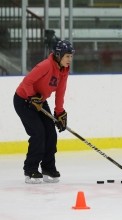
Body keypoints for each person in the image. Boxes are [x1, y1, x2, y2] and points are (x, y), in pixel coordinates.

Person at [13, 40, 75, 184]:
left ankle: (48, 167)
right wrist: (31, 97)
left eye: (71, 56)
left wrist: (59, 113)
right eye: (67, 56)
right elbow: (26, 82)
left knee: (51, 134)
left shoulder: (64, 71)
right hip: (23, 100)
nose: (70, 59)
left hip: (40, 101)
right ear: (59, 55)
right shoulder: (45, 66)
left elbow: (60, 92)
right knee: (38, 133)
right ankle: (30, 169)